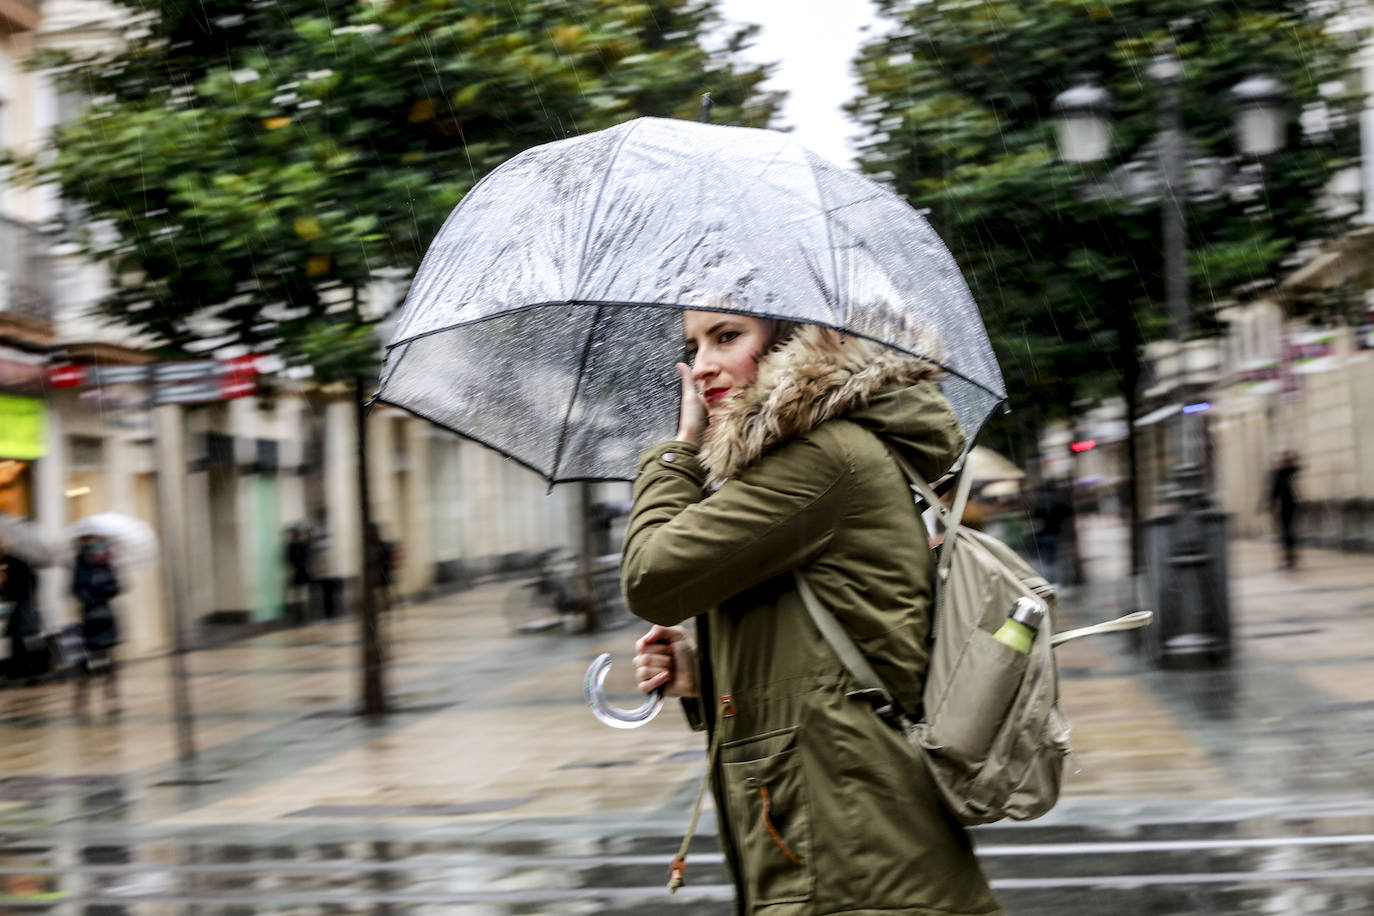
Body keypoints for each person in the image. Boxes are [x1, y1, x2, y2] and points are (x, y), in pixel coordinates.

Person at [622, 312, 1001, 915]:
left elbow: (652, 579)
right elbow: (821, 645)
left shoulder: (821, 458)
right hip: (843, 832)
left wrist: (680, 451)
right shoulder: (811, 456)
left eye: (726, 337)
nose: (701, 369)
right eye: (693, 346)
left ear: (792, 342)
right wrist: (704, 675)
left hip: (852, 854)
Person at [72, 535, 120, 716]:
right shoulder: (80, 563)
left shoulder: (107, 561)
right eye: (90, 541)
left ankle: (112, 700)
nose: (94, 544)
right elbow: (76, 590)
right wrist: (93, 596)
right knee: (85, 661)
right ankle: (81, 700)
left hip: (106, 617)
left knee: (108, 662)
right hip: (90, 618)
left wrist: (99, 593)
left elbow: (116, 587)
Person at [1, 542, 45, 684]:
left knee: (26, 638)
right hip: (16, 608)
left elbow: (25, 584)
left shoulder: (15, 562)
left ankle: (32, 672)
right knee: (17, 639)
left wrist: (6, 580)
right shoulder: (7, 562)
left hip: (24, 607)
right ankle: (20, 671)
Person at [1267, 449, 1301, 569]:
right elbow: (1274, 491)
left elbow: (1296, 467)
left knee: (1287, 533)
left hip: (1289, 505)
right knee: (1286, 533)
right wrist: (1270, 504)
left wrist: (1293, 456)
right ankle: (1289, 558)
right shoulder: (1280, 473)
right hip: (1285, 506)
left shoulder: (1286, 472)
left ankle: (1290, 558)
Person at [284, 522, 315, 623]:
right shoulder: (292, 545)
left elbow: (307, 558)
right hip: (296, 571)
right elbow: (288, 559)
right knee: (297, 594)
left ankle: (303, 616)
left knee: (302, 594)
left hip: (301, 571)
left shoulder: (302, 544)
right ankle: (298, 616)